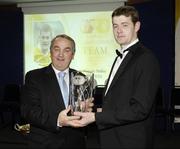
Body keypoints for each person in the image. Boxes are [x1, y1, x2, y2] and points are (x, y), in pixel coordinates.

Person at [72, 5, 160, 149]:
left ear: (136, 26)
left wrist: (96, 117)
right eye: (115, 26)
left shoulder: (146, 59)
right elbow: (118, 100)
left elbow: (139, 109)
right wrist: (94, 110)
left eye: (124, 25)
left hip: (131, 140)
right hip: (113, 137)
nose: (119, 30)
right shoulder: (121, 56)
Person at [21, 34, 93, 148]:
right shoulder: (34, 77)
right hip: (44, 143)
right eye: (56, 49)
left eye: (67, 50)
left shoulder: (81, 78)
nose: (61, 54)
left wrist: (85, 109)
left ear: (73, 55)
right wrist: (57, 120)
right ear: (50, 52)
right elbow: (28, 111)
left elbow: (83, 112)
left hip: (75, 142)